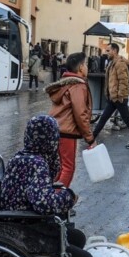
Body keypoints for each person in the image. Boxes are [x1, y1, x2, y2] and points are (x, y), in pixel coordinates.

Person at [0, 115, 94, 257]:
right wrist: (68, 198)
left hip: (17, 222)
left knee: (77, 237)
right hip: (26, 229)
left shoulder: (22, 157)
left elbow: (35, 194)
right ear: (50, 140)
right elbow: (42, 203)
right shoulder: (37, 163)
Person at [46, 52, 95, 188]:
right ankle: (57, 201)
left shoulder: (65, 83)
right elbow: (80, 113)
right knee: (68, 168)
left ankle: (50, 195)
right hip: (66, 132)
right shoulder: (78, 85)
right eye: (85, 64)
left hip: (55, 129)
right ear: (80, 67)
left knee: (60, 167)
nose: (87, 68)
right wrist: (90, 138)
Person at [92, 43, 129, 149]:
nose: (106, 53)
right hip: (113, 98)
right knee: (103, 118)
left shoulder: (120, 64)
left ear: (114, 51)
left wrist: (120, 96)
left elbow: (124, 81)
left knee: (126, 119)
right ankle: (91, 138)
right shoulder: (112, 63)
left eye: (108, 50)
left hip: (119, 98)